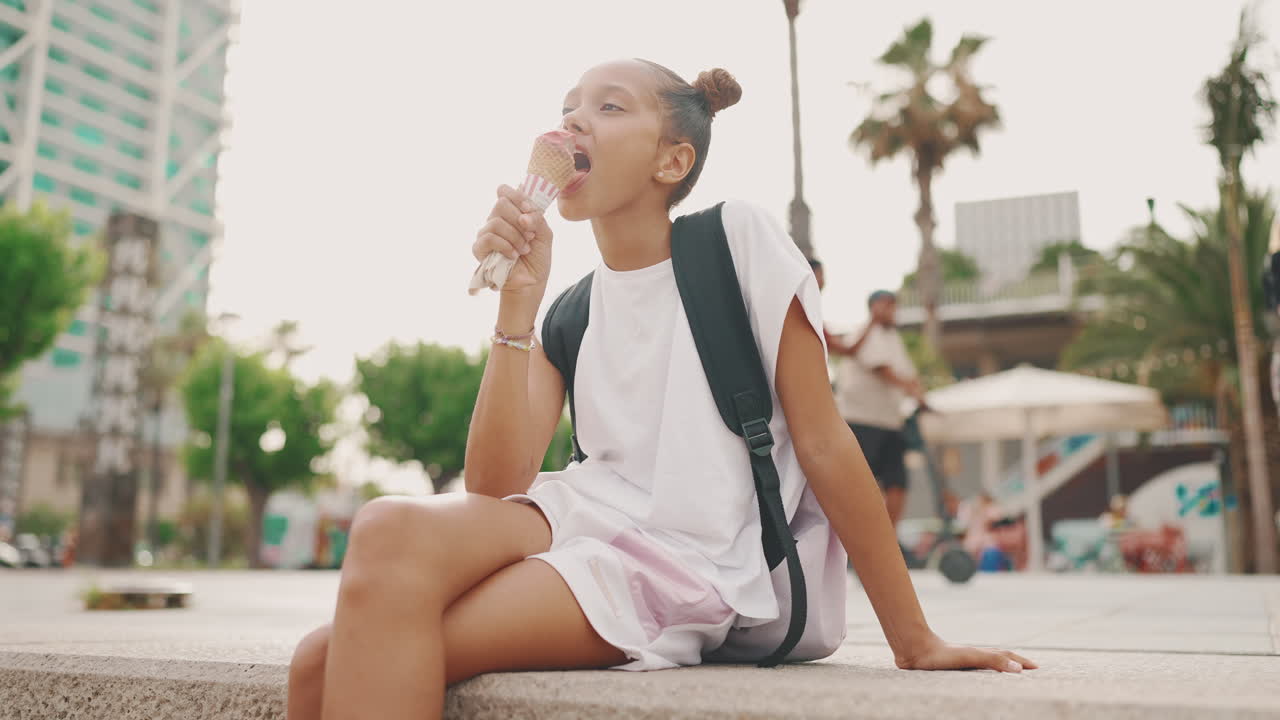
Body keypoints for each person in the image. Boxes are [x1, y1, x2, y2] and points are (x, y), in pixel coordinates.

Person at [286, 59, 1035, 720]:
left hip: (685, 558)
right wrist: (518, 305)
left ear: (671, 161)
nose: (574, 118)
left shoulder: (735, 240)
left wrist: (915, 639)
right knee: (383, 532)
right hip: (580, 518)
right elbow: (493, 487)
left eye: (610, 106)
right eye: (569, 106)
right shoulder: (570, 309)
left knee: (329, 663)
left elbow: (822, 438)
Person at [830, 290, 923, 528]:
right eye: (889, 306)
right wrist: (909, 388)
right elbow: (881, 368)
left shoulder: (893, 338)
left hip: (890, 421)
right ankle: (861, 537)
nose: (893, 312)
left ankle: (888, 539)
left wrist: (919, 394)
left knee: (898, 484)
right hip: (862, 421)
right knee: (861, 484)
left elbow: (908, 374)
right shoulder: (866, 333)